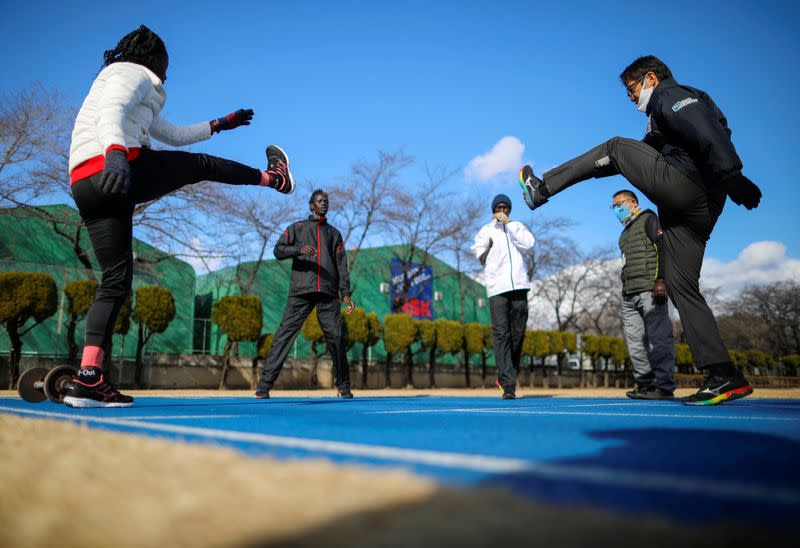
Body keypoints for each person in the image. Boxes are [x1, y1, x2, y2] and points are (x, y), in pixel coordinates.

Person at [62, 25, 295, 408]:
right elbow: (112, 112)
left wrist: (220, 124)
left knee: (115, 283)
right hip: (115, 165)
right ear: (153, 58)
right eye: (167, 64)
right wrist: (117, 153)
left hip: (85, 184)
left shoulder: (123, 85)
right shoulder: (130, 73)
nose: (168, 73)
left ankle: (90, 378)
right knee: (200, 166)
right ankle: (273, 178)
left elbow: (171, 134)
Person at [519, 55, 761, 405]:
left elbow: (704, 126)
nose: (631, 99)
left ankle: (542, 189)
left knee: (615, 144)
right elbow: (626, 159)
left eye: (631, 90)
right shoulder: (660, 121)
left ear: (650, 77)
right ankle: (725, 375)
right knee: (682, 287)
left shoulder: (671, 95)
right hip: (697, 211)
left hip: (687, 187)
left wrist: (732, 174)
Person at [256, 189, 355, 399]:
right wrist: (299, 249)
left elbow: (341, 264)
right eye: (320, 201)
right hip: (301, 291)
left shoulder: (334, 234)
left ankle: (344, 387)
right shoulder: (297, 228)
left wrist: (345, 292)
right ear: (311, 205)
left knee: (337, 338)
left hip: (328, 292)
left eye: (326, 201)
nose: (323, 204)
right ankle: (264, 386)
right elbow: (278, 250)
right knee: (284, 336)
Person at [611, 190, 676, 400]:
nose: (616, 210)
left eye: (619, 204)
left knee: (659, 340)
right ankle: (645, 384)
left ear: (632, 203)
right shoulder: (624, 234)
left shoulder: (649, 219)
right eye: (614, 207)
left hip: (651, 290)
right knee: (635, 343)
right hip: (629, 294)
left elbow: (663, 248)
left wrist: (661, 280)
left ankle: (664, 387)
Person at [471, 194, 535, 399]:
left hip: (519, 285)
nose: (502, 210)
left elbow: (529, 244)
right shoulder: (486, 231)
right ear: (493, 210)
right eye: (498, 207)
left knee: (517, 333)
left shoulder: (517, 226)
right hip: (497, 288)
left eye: (505, 207)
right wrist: (487, 247)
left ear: (509, 210)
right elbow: (478, 255)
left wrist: (510, 225)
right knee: (501, 334)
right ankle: (508, 385)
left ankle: (506, 373)